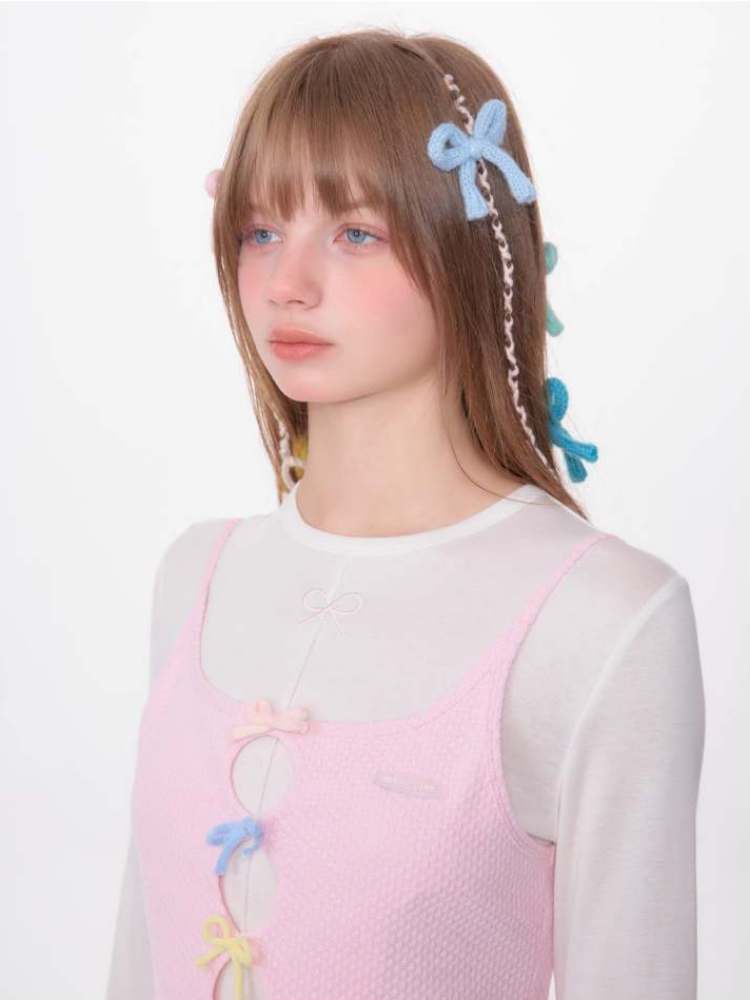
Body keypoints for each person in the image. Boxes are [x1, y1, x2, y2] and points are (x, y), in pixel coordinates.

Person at [106, 27, 705, 1000]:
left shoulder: (601, 619)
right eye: (260, 230)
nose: (287, 285)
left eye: (356, 233)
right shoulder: (196, 577)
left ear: (464, 246)